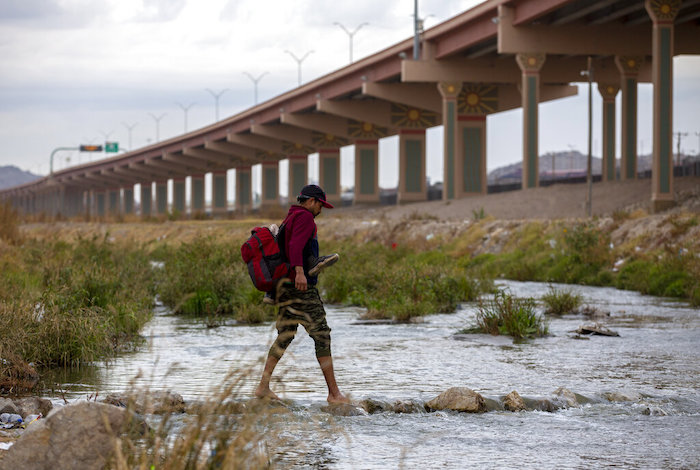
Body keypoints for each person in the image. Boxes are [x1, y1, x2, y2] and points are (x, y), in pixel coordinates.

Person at [255, 184, 348, 404]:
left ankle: (263, 387)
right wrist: (300, 272)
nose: (321, 210)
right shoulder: (305, 218)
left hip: (284, 285)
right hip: (300, 286)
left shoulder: (290, 217)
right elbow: (296, 246)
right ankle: (334, 395)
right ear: (312, 201)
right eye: (321, 205)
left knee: (285, 334)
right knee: (322, 334)